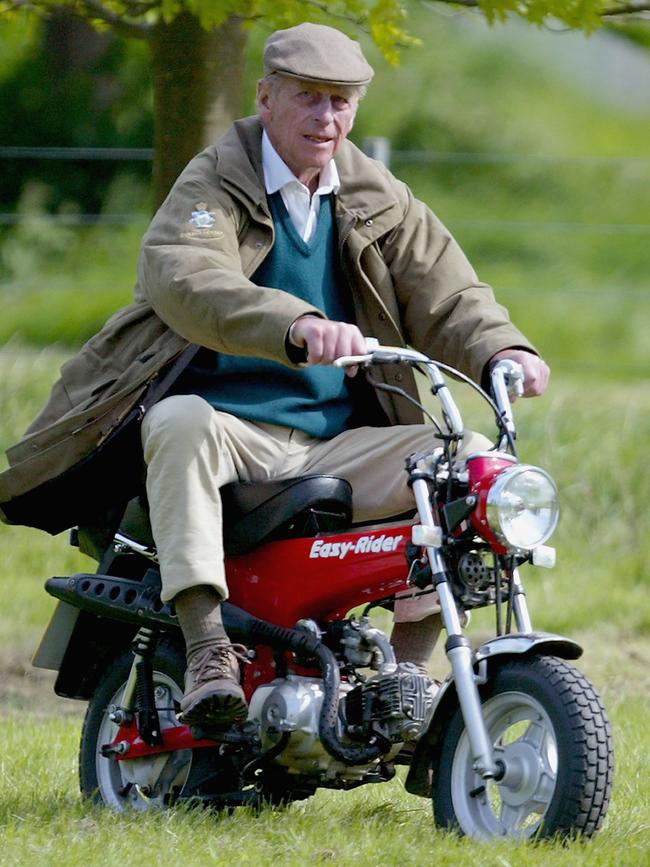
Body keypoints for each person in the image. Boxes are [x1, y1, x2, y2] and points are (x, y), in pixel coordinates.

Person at [0, 23, 549, 730]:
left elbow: (450, 295)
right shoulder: (214, 182)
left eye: (342, 102)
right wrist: (291, 325)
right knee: (178, 422)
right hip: (232, 430)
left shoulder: (379, 197)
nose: (326, 119)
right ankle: (206, 648)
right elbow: (187, 276)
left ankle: (408, 678)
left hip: (340, 438)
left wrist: (504, 349)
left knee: (465, 464)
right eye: (309, 99)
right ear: (265, 96)